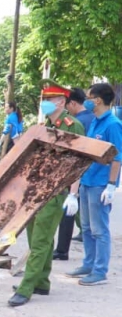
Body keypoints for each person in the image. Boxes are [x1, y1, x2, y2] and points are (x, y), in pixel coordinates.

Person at [8, 81, 86, 307]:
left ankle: (26, 288)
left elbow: (78, 162)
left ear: (61, 101)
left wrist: (73, 193)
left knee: (41, 239)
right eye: (43, 101)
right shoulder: (44, 125)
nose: (44, 104)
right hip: (38, 189)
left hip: (56, 190)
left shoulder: (73, 125)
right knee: (35, 236)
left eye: (48, 101)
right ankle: (42, 281)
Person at [66, 83, 122, 286]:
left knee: (100, 229)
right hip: (88, 180)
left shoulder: (113, 124)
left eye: (89, 97)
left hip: (100, 183)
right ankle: (88, 264)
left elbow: (117, 157)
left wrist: (111, 185)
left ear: (97, 100)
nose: (87, 100)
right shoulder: (95, 122)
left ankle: (100, 271)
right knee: (87, 227)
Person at [54, 88, 97, 260]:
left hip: (77, 173)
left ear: (71, 103)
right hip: (91, 173)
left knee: (68, 211)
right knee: (83, 216)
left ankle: (62, 250)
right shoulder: (93, 118)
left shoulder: (75, 122)